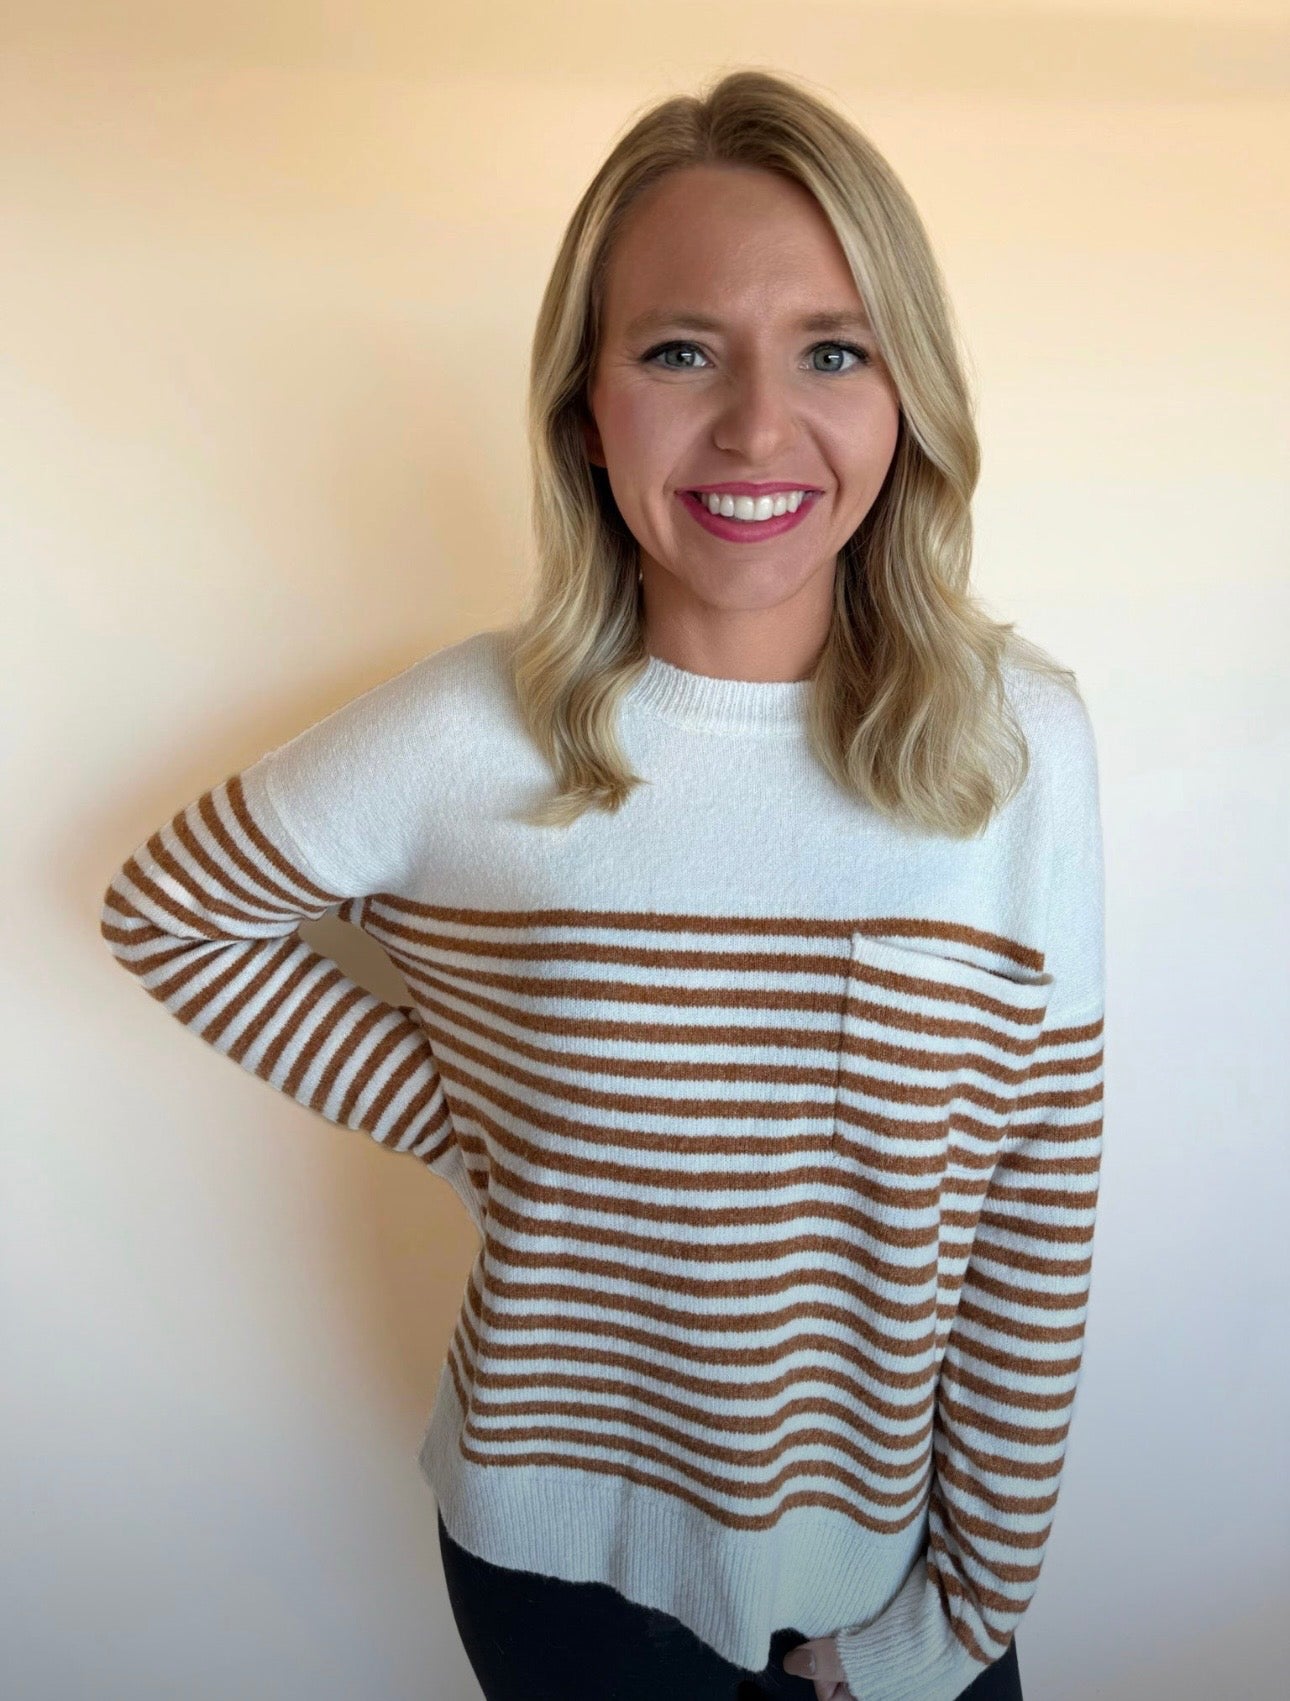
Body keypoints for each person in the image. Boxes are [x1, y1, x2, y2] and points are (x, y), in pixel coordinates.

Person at [99, 68, 1105, 1701]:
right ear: (588, 404)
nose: (758, 428)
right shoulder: (461, 732)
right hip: (551, 1570)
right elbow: (171, 911)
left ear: (902, 393)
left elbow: (1036, 1198)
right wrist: (488, 1123)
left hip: (889, 1575)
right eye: (679, 350)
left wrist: (961, 1613)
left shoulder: (1015, 748)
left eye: (831, 351)